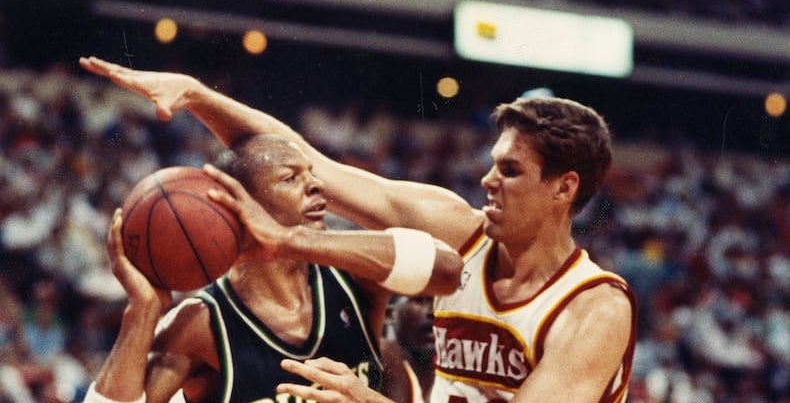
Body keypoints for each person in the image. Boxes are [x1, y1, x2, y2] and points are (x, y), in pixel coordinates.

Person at [79, 56, 638, 402]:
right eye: (493, 163)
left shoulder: (594, 308)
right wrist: (198, 96)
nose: (488, 180)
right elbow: (311, 163)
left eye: (511, 171)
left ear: (564, 188)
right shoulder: (459, 229)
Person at [82, 133, 463, 402]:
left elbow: (449, 270)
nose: (317, 186)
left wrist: (290, 240)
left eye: (312, 174)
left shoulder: (352, 276)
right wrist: (143, 311)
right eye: (291, 178)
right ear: (240, 203)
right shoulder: (198, 324)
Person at [379, 296, 436, 403]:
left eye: (437, 302)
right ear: (389, 314)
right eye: (420, 300)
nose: (433, 311)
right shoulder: (384, 355)